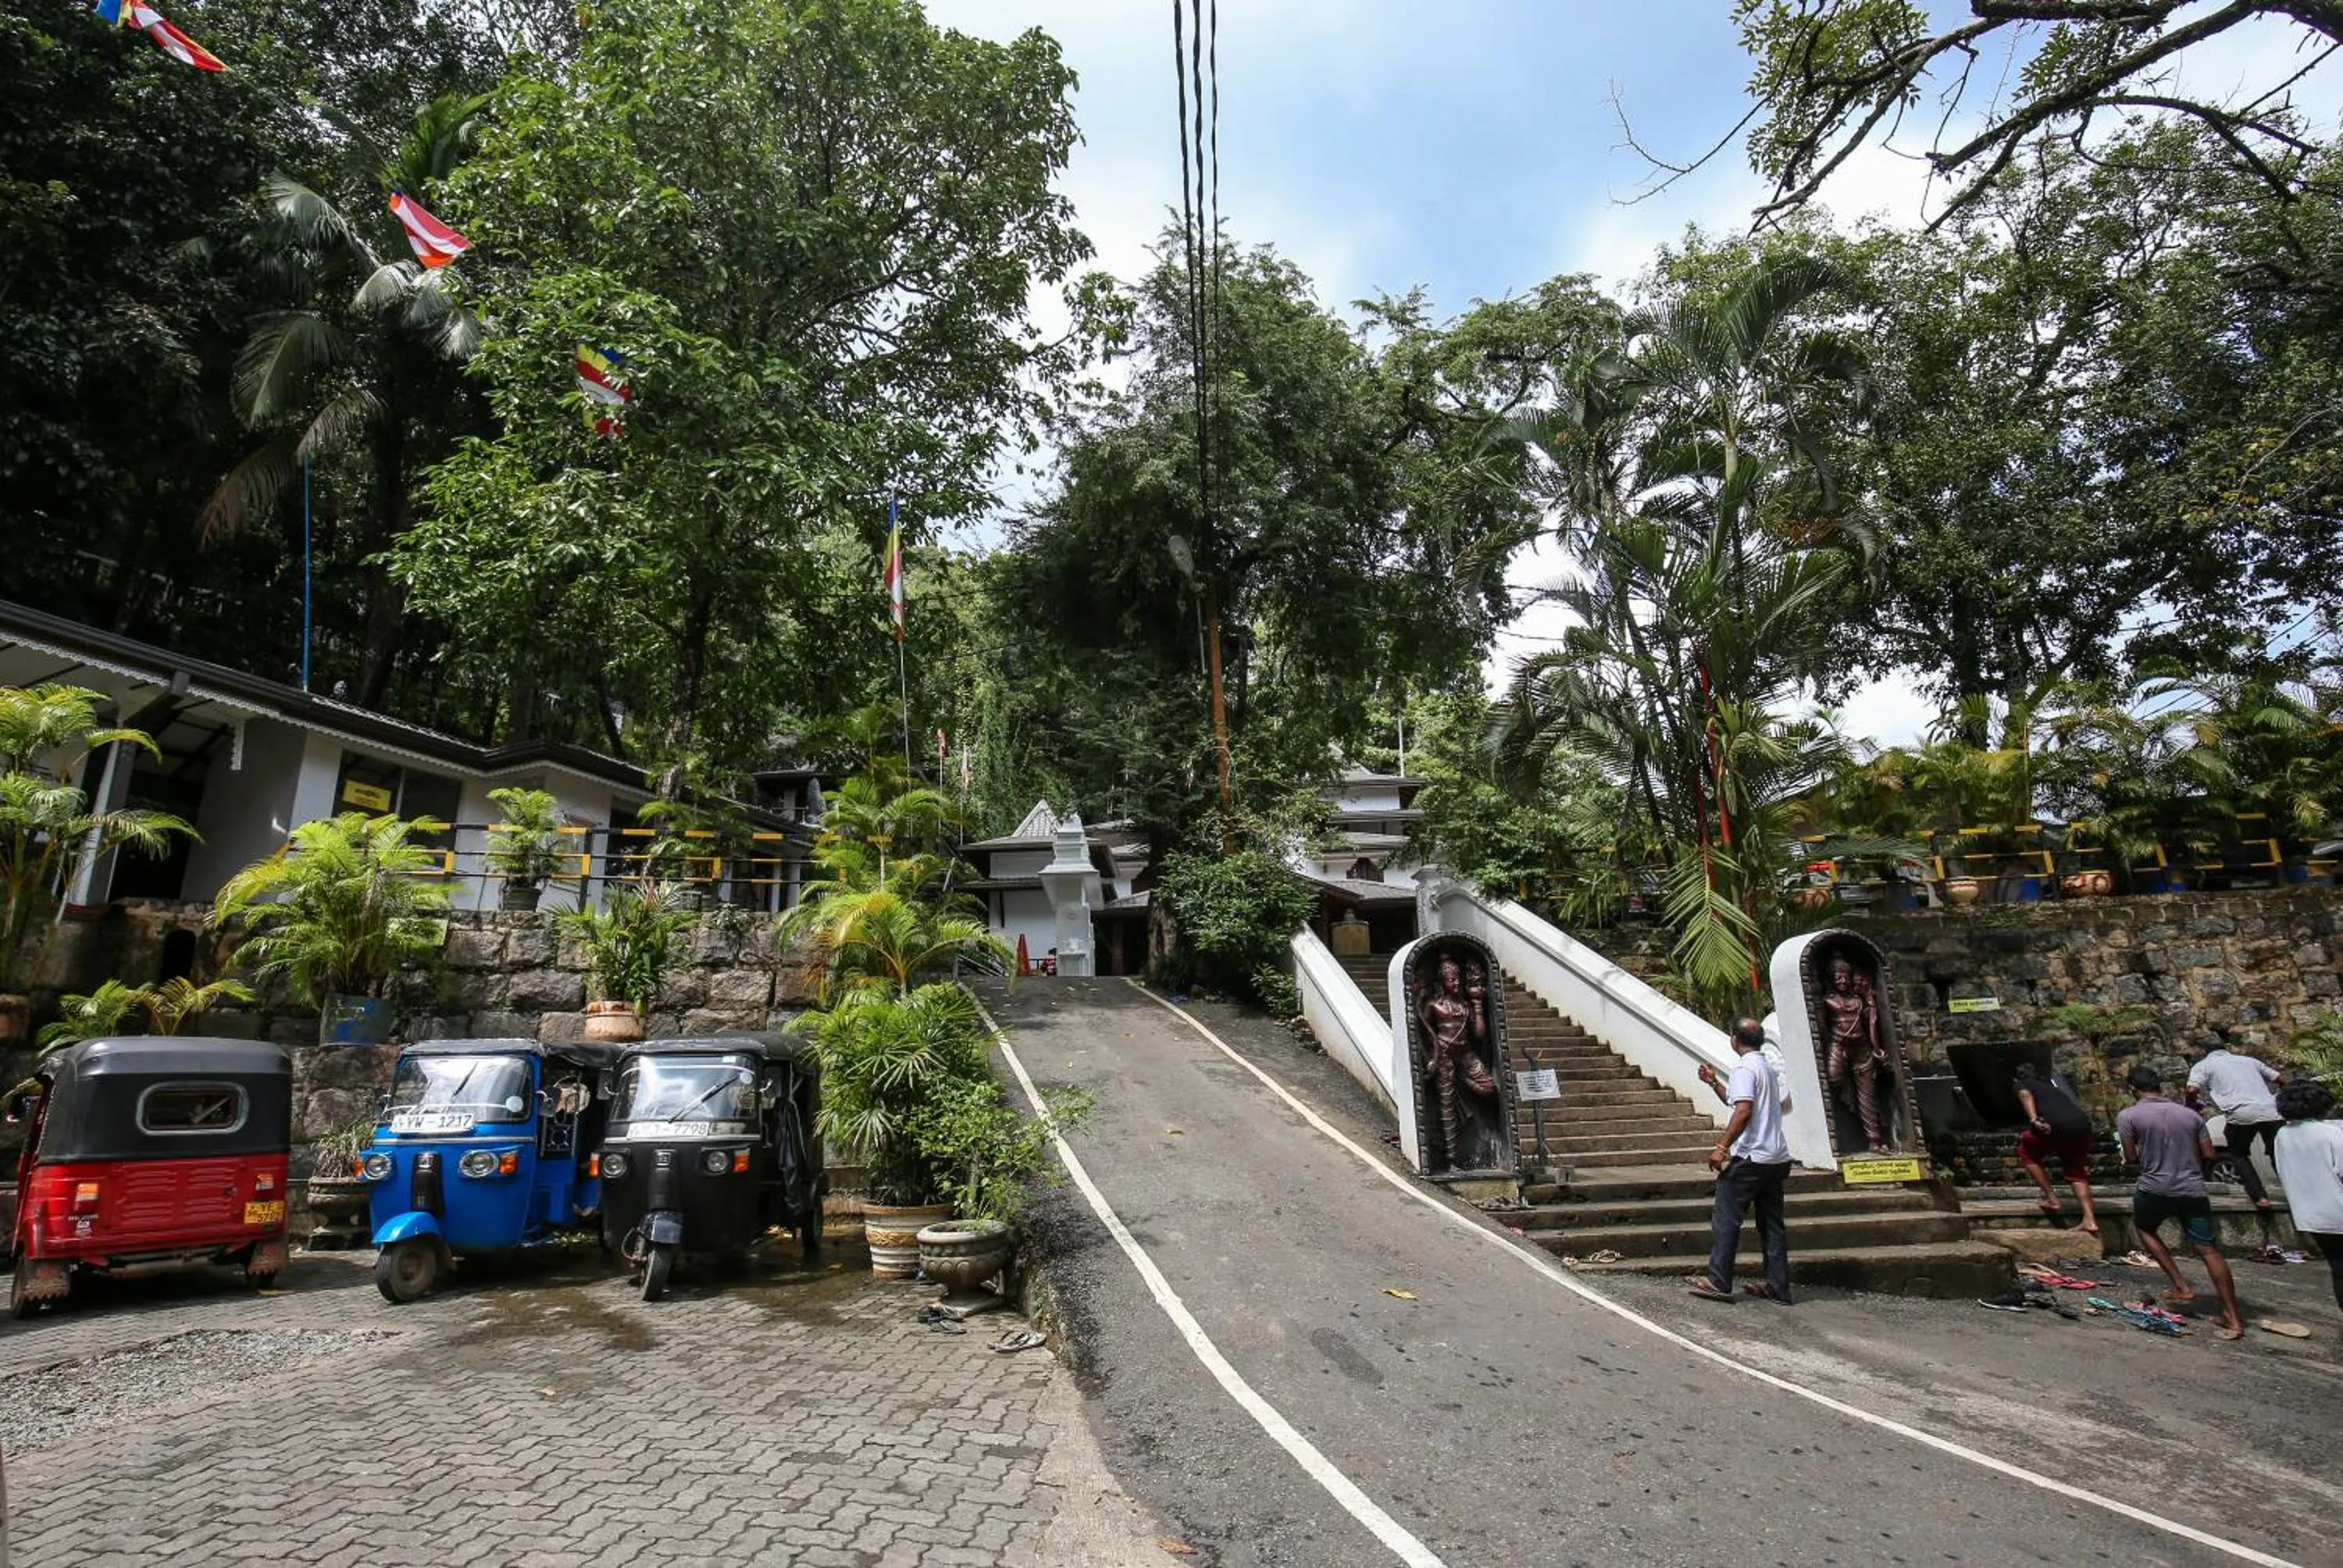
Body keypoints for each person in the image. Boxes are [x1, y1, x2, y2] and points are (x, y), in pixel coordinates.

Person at [2117, 1064, 2245, 1341]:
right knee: (2209, 1250)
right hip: (2192, 1188)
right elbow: (2210, 1154)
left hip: (2155, 1187)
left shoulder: (2129, 1116)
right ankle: (2234, 1319)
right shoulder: (2190, 1115)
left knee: (2145, 1227)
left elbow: (2130, 1157)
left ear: (2132, 1088)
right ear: (2159, 1085)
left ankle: (2181, 1285)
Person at [1686, 1017, 1794, 1303]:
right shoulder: (1766, 1068)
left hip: (1752, 1156)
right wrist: (1714, 1084)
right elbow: (1737, 1101)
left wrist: (1721, 1146)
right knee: (1771, 1223)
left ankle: (1718, 1279)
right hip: (1776, 1158)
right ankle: (1778, 1286)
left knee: (1726, 1217)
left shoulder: (1745, 1069)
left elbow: (1744, 1110)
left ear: (1734, 1038)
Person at [2184, 1035, 2286, 1214]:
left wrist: (2190, 1106)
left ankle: (2260, 1197)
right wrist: (2283, 1098)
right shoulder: (2250, 1061)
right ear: (2225, 1047)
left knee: (2238, 1154)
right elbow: (2281, 1079)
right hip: (2271, 1111)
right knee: (2277, 1153)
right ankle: (2293, 1190)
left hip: (2240, 1113)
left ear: (2203, 1051)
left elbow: (2192, 1089)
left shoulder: (2203, 1066)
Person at [2273, 1080, 2343, 1325]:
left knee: (2339, 1268)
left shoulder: (2282, 1135)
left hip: (2311, 1215)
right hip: (2339, 1209)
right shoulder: (2332, 1134)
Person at [2013, 1067, 2100, 1235]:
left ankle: (2052, 1198)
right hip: (2082, 1125)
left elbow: (2025, 1095)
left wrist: (2034, 1119)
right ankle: (2090, 1219)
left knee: (2026, 1152)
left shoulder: (2022, 1084)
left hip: (2055, 1126)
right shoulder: (2051, 1086)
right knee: (2076, 1170)